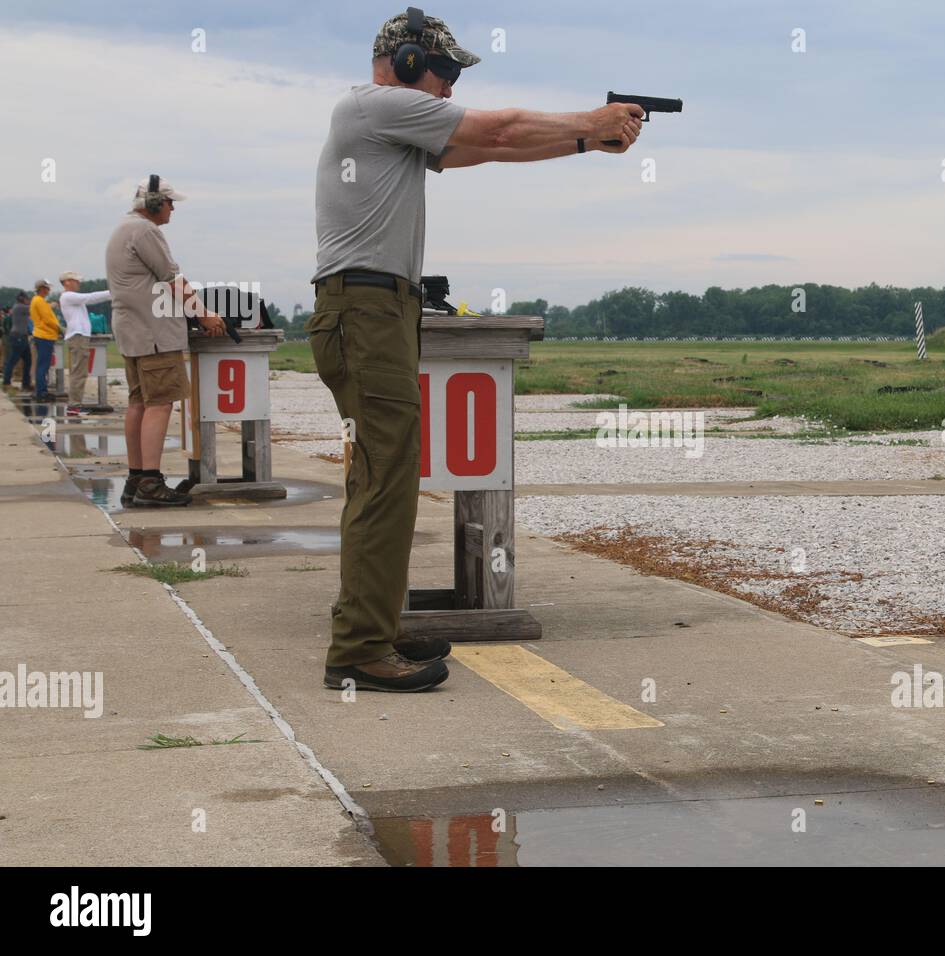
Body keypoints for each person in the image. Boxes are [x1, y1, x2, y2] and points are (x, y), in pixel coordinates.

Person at [309, 8, 642, 693]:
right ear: (405, 64)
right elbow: (502, 128)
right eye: (445, 71)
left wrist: (585, 143)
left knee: (386, 474)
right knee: (383, 475)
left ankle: (372, 623)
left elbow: (486, 149)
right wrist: (591, 119)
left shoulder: (393, 124)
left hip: (378, 307)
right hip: (365, 307)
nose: (450, 88)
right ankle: (358, 649)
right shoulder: (375, 106)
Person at [105, 175, 226, 507]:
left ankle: (136, 478)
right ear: (155, 204)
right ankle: (151, 482)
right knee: (159, 404)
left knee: (139, 404)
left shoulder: (124, 228)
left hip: (134, 332)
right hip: (154, 334)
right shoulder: (146, 231)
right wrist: (204, 314)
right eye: (171, 202)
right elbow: (172, 278)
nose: (173, 209)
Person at [57, 272, 113, 416]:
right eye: (76, 281)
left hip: (79, 336)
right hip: (78, 337)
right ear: (67, 282)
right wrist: (112, 291)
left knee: (79, 372)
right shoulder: (68, 296)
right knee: (79, 373)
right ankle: (74, 405)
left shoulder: (71, 298)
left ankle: (75, 404)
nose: (79, 283)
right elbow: (90, 297)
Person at [29, 280, 61, 401]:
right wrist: (60, 329)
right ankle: (41, 392)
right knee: (43, 365)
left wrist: (50, 306)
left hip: (41, 335)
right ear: (42, 289)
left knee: (41, 365)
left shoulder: (36, 300)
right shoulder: (40, 301)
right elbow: (48, 319)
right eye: (47, 288)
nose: (49, 290)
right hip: (45, 335)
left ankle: (40, 390)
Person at [2, 294, 33, 392]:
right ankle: (6, 382)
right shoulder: (20, 307)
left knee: (28, 361)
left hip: (20, 336)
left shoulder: (18, 307)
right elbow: (34, 309)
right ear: (23, 299)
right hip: (18, 337)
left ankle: (26, 383)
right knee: (12, 360)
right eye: (28, 299)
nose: (29, 301)